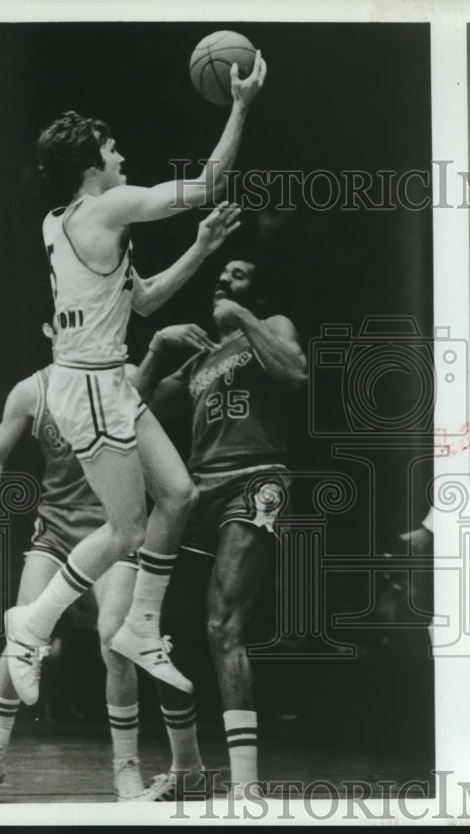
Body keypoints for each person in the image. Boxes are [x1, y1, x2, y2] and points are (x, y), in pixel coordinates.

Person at [3, 53, 267, 706]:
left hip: (105, 384)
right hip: (88, 389)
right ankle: (30, 626)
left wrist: (202, 249)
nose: (120, 155)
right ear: (92, 163)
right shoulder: (108, 205)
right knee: (124, 531)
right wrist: (240, 105)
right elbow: (206, 184)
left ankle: (141, 626)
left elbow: (142, 302)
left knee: (179, 497)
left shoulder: (62, 223)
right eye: (111, 147)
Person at [0, 299, 208, 802]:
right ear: (50, 327)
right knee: (21, 637)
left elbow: (166, 393)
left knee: (114, 638)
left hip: (115, 533)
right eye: (67, 321)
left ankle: (126, 768)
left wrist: (168, 348)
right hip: (53, 536)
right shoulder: (33, 390)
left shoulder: (120, 381)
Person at [132, 252, 307, 796]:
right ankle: (187, 771)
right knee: (152, 632)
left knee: (223, 626)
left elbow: (297, 375)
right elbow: (129, 407)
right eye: (221, 274)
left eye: (239, 273)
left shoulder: (271, 326)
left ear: (256, 291)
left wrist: (243, 320)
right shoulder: (201, 359)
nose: (223, 280)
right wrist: (158, 348)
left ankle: (247, 785)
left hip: (255, 481)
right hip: (199, 491)